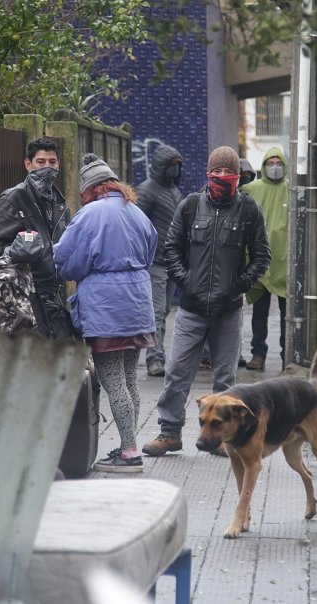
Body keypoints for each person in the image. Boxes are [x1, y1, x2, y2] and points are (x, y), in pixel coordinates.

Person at [142, 146, 271, 457]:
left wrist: (237, 286)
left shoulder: (249, 211)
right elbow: (171, 249)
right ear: (208, 173)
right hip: (191, 309)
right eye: (218, 171)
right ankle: (169, 433)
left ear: (238, 176)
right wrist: (187, 282)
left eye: (229, 172)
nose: (223, 176)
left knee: (225, 380)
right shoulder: (189, 206)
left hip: (229, 310)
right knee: (176, 372)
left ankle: (223, 440)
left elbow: (262, 257)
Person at [55, 154, 157, 472]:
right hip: (138, 305)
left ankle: (129, 452)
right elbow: (150, 253)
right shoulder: (137, 212)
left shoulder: (90, 214)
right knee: (129, 379)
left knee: (113, 381)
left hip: (106, 309)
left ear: (91, 188)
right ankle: (130, 445)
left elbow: (67, 260)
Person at [0, 137, 73, 339]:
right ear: (28, 164)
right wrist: (21, 251)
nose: (47, 167)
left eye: (52, 162)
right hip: (24, 295)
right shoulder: (14, 198)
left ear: (58, 164)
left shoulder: (59, 202)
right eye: (40, 162)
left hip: (53, 294)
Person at [136, 144, 184, 377]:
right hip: (155, 262)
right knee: (156, 312)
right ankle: (154, 358)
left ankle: (157, 352)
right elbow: (136, 226)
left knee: (163, 311)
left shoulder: (174, 191)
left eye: (178, 165)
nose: (175, 169)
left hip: (172, 262)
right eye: (171, 165)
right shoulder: (147, 191)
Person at [241, 146, 290, 371]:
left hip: (284, 261)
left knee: (287, 314)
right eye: (270, 163)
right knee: (259, 313)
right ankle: (258, 354)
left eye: (278, 163)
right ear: (263, 165)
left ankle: (287, 354)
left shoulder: (292, 189)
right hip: (259, 259)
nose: (275, 167)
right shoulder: (251, 189)